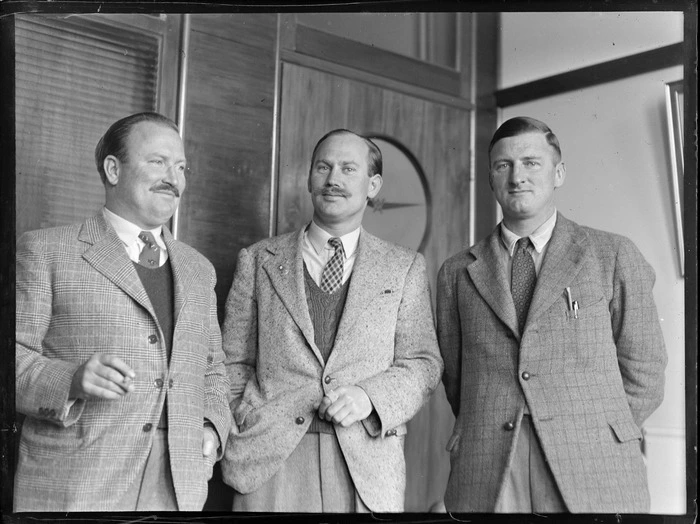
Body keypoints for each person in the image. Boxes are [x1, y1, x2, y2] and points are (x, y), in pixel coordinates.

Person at [437, 116, 667, 513]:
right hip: (490, 468)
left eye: (531, 162)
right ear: (491, 178)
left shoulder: (611, 255)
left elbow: (645, 369)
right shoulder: (458, 271)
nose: (516, 176)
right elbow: (456, 380)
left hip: (593, 465)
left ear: (558, 173)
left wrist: (594, 429)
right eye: (502, 165)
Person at [15, 112, 231, 512]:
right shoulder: (46, 251)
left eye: (181, 167)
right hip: (75, 489)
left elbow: (215, 369)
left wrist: (212, 427)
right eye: (158, 162)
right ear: (113, 169)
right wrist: (71, 381)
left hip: (179, 489)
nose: (174, 178)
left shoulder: (199, 269)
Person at [220, 129, 443, 512]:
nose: (333, 179)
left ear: (372, 185)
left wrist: (370, 398)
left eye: (348, 169)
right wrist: (247, 418)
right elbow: (230, 362)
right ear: (309, 178)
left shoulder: (404, 267)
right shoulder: (258, 260)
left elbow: (423, 362)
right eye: (323, 167)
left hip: (365, 461)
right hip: (270, 459)